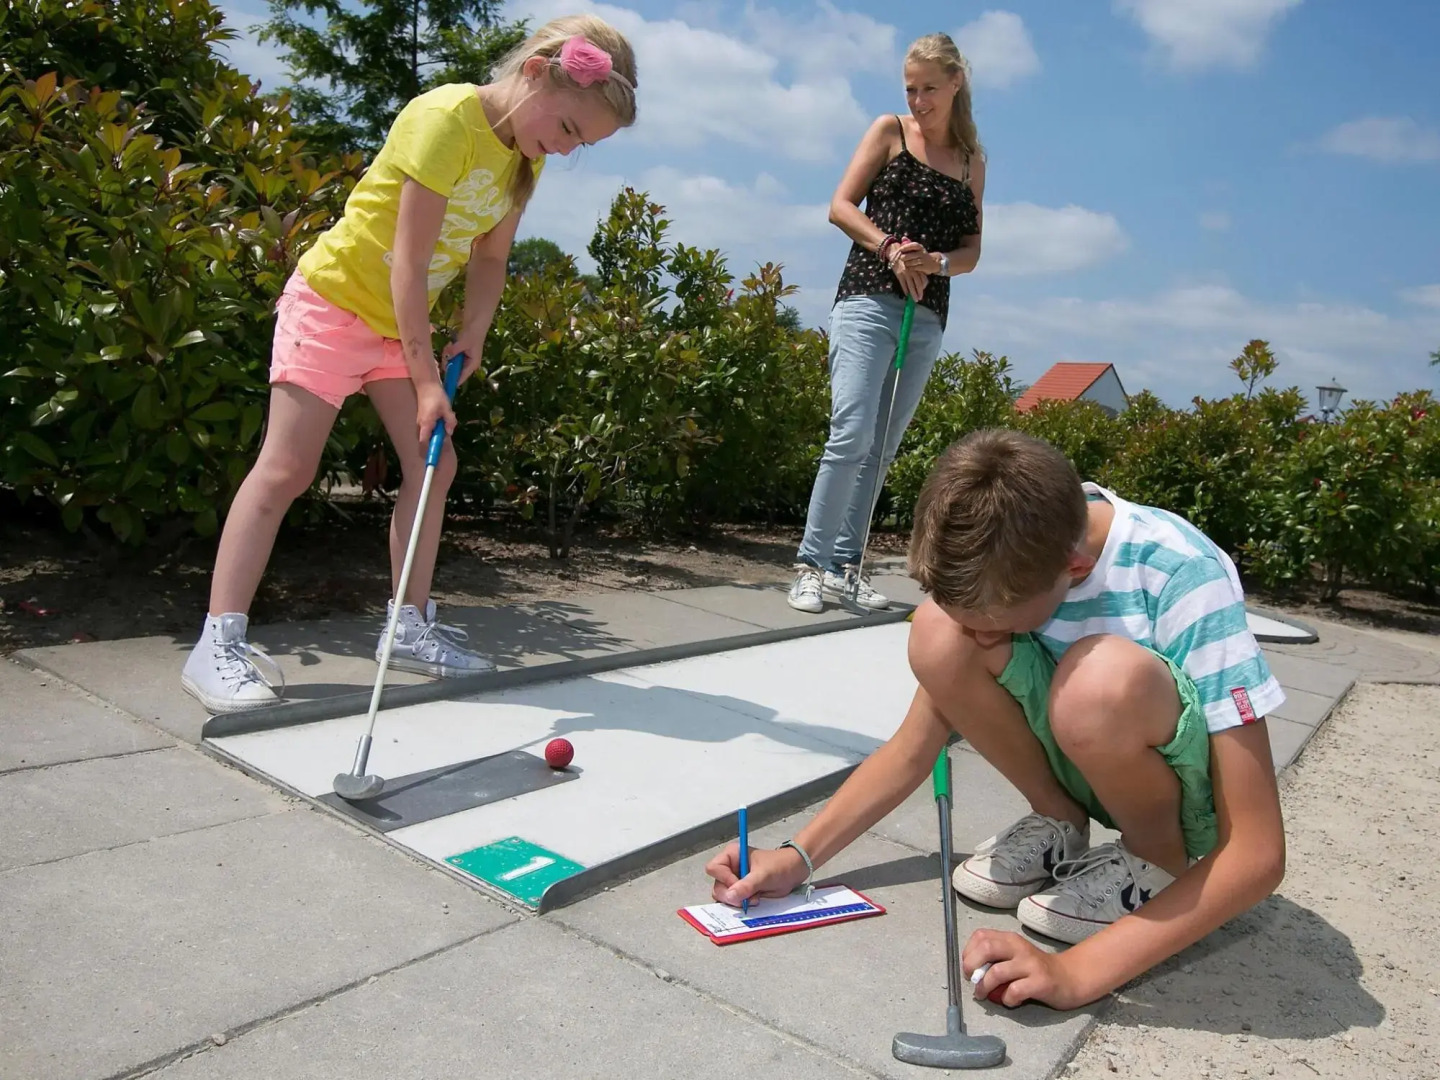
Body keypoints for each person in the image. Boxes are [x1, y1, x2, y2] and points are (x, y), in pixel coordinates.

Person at [710, 429, 1288, 1011]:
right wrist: (796, 857)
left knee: (1098, 678)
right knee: (937, 631)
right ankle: (1059, 820)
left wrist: (1075, 974)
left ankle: (1152, 860)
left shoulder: (1181, 573)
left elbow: (1257, 853)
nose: (985, 637)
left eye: (999, 622)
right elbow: (914, 746)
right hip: (1088, 749)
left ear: (1075, 565)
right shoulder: (1018, 551)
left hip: (1178, 796)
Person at [181, 15, 637, 714]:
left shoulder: (526, 156)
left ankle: (407, 625)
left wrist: (474, 333)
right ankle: (217, 643)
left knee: (434, 466)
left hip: (400, 328)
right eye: (571, 129)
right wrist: (427, 381)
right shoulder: (444, 119)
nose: (567, 149)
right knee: (288, 467)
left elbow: (489, 256)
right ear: (538, 71)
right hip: (334, 304)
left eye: (583, 144)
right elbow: (410, 261)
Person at [789, 32, 985, 615]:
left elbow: (972, 251)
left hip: (927, 314)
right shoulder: (889, 132)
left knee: (882, 446)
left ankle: (846, 570)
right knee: (850, 435)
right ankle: (809, 565)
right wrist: (891, 248)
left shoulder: (973, 160)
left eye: (929, 89)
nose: (919, 100)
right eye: (910, 88)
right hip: (868, 300)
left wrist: (938, 263)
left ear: (955, 84)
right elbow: (840, 206)